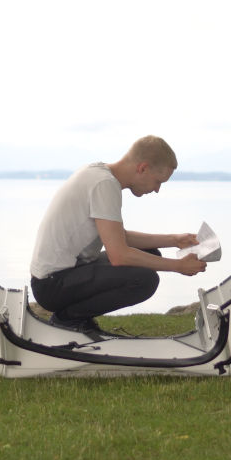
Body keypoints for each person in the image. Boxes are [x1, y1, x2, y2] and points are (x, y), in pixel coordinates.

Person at [29, 135, 207, 334]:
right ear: (142, 168)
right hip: (52, 284)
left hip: (62, 275)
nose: (157, 190)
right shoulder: (104, 185)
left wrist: (174, 240)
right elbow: (119, 255)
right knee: (145, 280)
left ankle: (74, 318)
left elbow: (119, 237)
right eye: (158, 181)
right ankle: (67, 320)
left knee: (151, 254)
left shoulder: (100, 174)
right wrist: (178, 266)